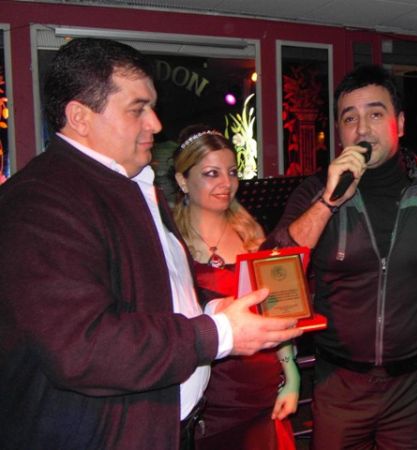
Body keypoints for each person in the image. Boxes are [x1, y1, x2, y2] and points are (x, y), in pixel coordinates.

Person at [0, 38, 301, 450]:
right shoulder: (40, 200)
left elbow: (158, 291)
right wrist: (217, 333)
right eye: (137, 109)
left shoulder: (134, 185)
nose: (156, 124)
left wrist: (213, 308)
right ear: (80, 117)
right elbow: (84, 349)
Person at [263, 64, 417, 449]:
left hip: (415, 386)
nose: (362, 129)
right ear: (339, 131)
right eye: (349, 118)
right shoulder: (316, 191)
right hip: (339, 384)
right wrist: (329, 202)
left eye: (375, 114)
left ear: (399, 123)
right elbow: (273, 268)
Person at [172, 125, 299, 449]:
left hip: (262, 390)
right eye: (211, 173)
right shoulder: (171, 243)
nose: (226, 183)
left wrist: (291, 374)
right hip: (209, 398)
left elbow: (276, 309)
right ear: (183, 180)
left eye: (231, 172)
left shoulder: (251, 234)